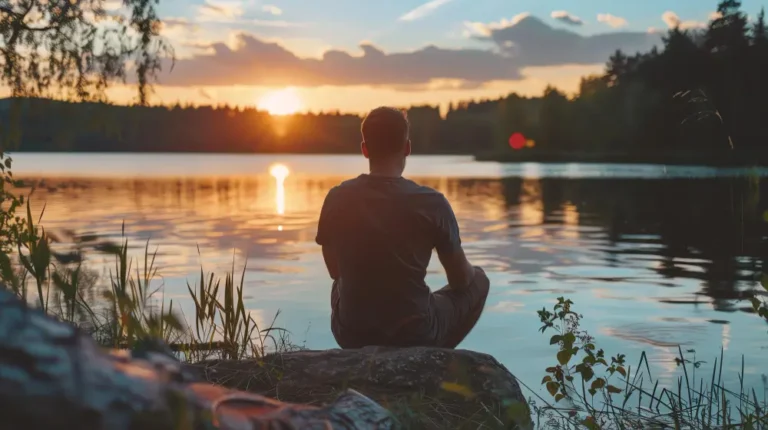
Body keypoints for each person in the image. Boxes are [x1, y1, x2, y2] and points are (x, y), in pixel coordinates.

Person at [315, 106, 490, 349]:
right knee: (480, 280)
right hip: (415, 333)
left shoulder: (337, 197)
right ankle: (433, 360)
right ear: (407, 147)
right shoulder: (432, 203)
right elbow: (461, 280)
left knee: (341, 283)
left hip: (351, 334)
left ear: (364, 149)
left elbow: (334, 270)